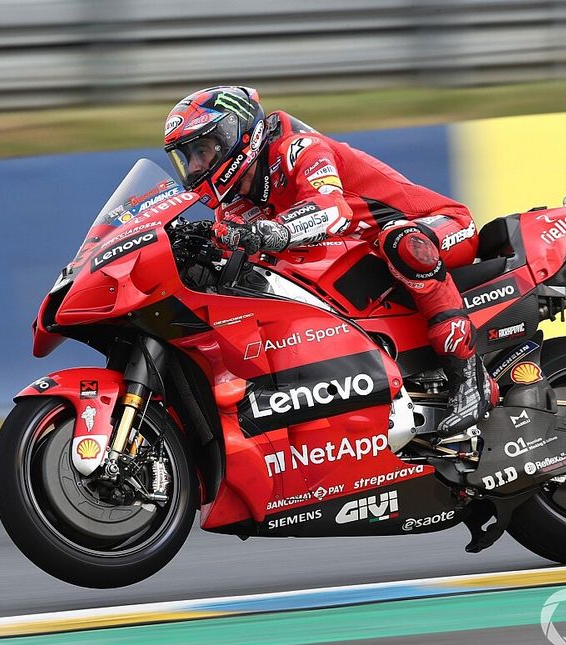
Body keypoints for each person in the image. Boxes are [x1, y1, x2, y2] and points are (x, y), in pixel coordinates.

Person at [163, 86, 497, 436]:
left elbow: (330, 209)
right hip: (367, 254)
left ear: (234, 134)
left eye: (201, 151)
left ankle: (470, 378)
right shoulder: (233, 204)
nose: (196, 166)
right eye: (188, 158)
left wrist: (276, 231)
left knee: (402, 243)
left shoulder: (297, 149)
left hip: (437, 226)